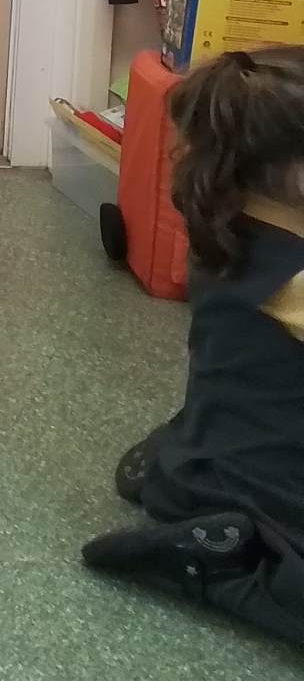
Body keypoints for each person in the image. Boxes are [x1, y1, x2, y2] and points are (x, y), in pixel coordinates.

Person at [82, 45, 304, 646]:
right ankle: (225, 572)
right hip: (273, 493)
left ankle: (179, 475)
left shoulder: (234, 232)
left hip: (212, 460)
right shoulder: (292, 279)